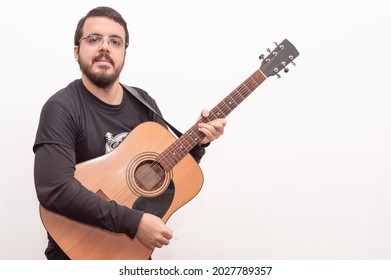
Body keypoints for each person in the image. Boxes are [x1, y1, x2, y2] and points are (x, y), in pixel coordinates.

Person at [33, 6, 226, 260]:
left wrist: (197, 144)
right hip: (74, 255)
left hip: (130, 252)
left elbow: (163, 175)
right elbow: (54, 189)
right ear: (77, 52)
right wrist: (133, 223)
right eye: (94, 39)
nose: (105, 47)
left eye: (115, 41)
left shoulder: (142, 102)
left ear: (124, 53)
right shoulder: (61, 108)